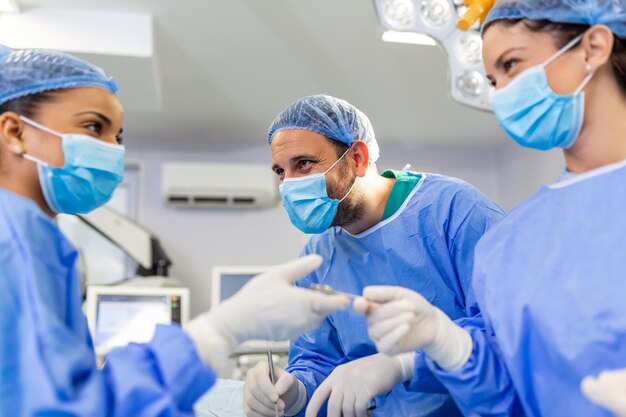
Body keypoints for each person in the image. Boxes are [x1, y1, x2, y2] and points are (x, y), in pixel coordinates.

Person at [0, 45, 351, 416]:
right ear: (14, 131)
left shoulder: (41, 242)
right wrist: (218, 331)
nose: (111, 150)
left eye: (117, 137)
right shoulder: (16, 241)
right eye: (93, 127)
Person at [354, 1, 626, 416]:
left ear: (593, 47)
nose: (501, 95)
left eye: (512, 64)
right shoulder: (510, 242)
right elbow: (504, 397)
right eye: (493, 81)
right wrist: (450, 343)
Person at [242, 94, 504, 417]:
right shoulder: (316, 257)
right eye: (280, 172)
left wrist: (406, 363)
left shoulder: (455, 213)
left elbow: (510, 335)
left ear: (358, 157)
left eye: (304, 163)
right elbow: (317, 359)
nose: (290, 185)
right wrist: (294, 392)